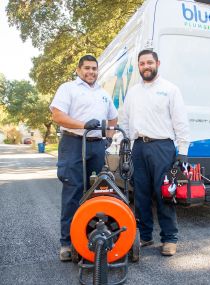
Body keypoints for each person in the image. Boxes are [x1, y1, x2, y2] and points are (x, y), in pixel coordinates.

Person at [120, 49, 190, 256]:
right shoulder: (132, 92)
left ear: (157, 63)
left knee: (164, 194)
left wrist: (183, 152)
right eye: (142, 63)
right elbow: (124, 120)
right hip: (139, 147)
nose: (146, 66)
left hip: (163, 147)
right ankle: (145, 236)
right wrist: (122, 145)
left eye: (149, 62)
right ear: (139, 66)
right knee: (140, 194)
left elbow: (180, 122)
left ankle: (169, 239)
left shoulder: (170, 89)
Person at [50, 54, 118, 261]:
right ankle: (66, 243)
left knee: (98, 192)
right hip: (73, 144)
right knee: (73, 192)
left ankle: (92, 237)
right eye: (87, 68)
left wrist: (108, 138)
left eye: (94, 69)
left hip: (97, 146)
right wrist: (82, 124)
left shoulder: (104, 93)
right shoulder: (68, 88)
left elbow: (113, 118)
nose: (91, 72)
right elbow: (57, 115)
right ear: (79, 70)